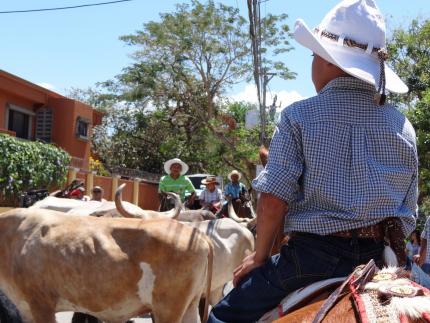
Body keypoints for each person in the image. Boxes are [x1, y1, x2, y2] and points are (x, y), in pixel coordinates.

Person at [208, 1, 418, 322]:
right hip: (383, 260)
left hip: (310, 259)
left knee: (222, 317)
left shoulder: (299, 116)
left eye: (313, 56)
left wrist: (260, 256)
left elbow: (273, 202)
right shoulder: (402, 126)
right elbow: (409, 212)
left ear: (326, 61)